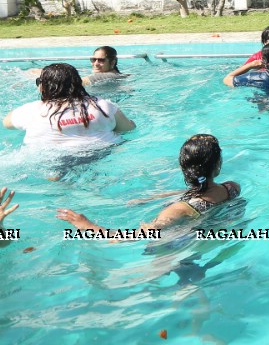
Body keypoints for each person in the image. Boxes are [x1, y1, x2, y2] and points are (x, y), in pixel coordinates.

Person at [57, 134, 241, 236]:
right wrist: (154, 198)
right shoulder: (232, 188)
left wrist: (86, 225)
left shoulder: (176, 210)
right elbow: (200, 195)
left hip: (175, 252)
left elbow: (136, 237)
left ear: (182, 167)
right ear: (218, 166)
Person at [3, 63, 135, 148]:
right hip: (103, 152)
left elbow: (7, 123)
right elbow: (128, 129)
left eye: (39, 82)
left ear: (44, 87)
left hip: (49, 156)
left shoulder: (33, 110)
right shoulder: (102, 105)